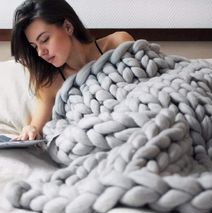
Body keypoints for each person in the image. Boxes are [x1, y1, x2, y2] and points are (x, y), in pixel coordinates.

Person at [11, 0, 134, 140]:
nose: (40, 52)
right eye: (35, 47)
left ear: (68, 27)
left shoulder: (118, 43)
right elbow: (36, 126)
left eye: (44, 39)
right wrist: (30, 129)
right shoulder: (51, 83)